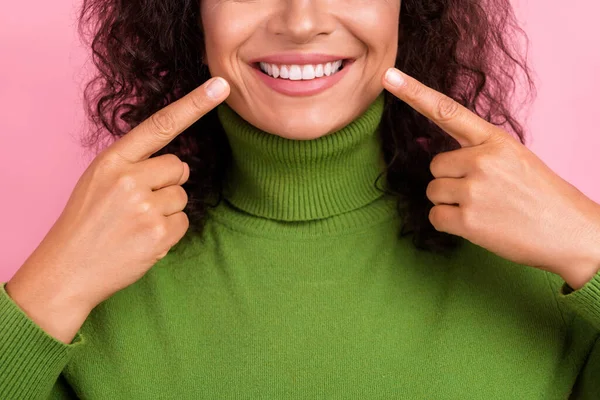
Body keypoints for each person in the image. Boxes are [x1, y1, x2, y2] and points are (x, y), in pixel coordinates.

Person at [1, 0, 599, 398]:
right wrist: (49, 288)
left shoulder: (555, 273)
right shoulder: (88, 279)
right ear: (191, 12)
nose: (300, 21)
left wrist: (590, 246)